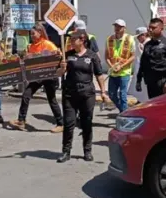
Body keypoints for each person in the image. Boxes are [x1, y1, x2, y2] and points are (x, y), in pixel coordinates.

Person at [57, 29, 108, 163]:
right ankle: (66, 151)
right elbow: (57, 73)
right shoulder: (67, 55)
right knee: (69, 123)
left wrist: (103, 92)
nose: (71, 42)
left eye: (74, 39)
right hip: (70, 93)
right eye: (71, 39)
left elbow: (99, 75)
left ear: (82, 40)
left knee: (86, 123)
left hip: (87, 93)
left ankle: (87, 150)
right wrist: (62, 68)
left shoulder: (91, 56)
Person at [10, 24, 64, 132]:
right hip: (37, 77)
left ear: (40, 32)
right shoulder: (31, 46)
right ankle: (21, 120)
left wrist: (58, 53)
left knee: (51, 99)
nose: (32, 36)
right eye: (31, 34)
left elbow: (59, 56)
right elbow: (29, 60)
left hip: (49, 77)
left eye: (33, 34)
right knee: (26, 95)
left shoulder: (48, 44)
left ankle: (61, 124)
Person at [136, 18, 166, 99]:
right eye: (150, 27)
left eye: (153, 28)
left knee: (164, 107)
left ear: (161, 29)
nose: (150, 30)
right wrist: (138, 80)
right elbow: (143, 63)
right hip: (150, 82)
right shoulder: (147, 45)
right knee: (152, 106)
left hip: (163, 82)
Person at [105, 19, 136, 113]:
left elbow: (133, 56)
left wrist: (121, 66)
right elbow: (106, 56)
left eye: (119, 27)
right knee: (111, 95)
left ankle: (125, 115)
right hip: (113, 72)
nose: (117, 28)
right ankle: (124, 111)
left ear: (124, 28)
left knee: (123, 95)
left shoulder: (130, 39)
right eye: (116, 26)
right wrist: (112, 66)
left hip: (124, 72)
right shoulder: (109, 39)